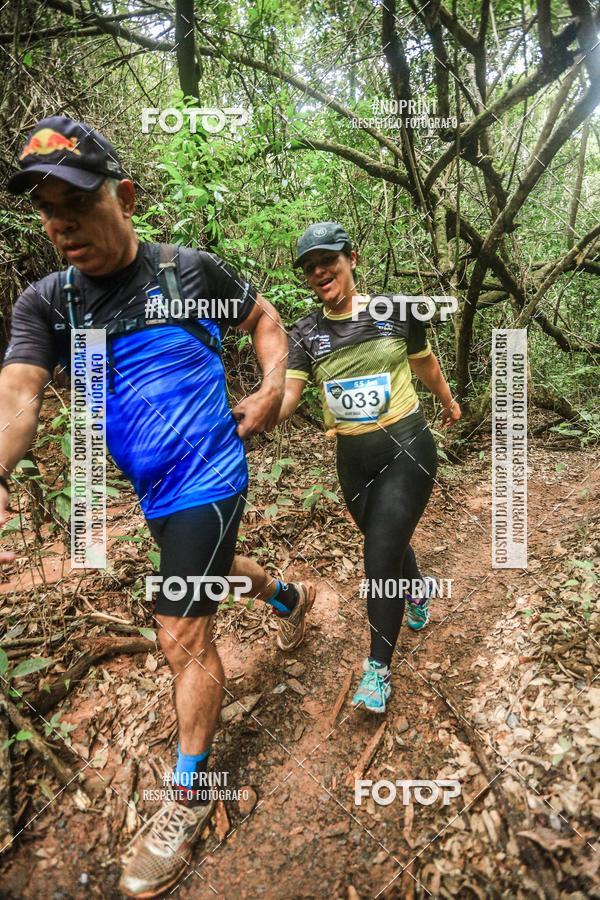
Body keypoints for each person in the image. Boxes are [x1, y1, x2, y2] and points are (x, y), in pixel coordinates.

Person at [1, 116, 315, 898]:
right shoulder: (49, 304)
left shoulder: (188, 274)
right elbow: (16, 402)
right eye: (44, 206)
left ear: (125, 195)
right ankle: (284, 593)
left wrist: (272, 385)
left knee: (180, 630)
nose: (59, 221)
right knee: (208, 572)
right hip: (156, 492)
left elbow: (268, 323)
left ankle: (186, 792)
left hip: (213, 471)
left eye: (74, 197)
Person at [278, 222, 460, 714]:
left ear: (351, 258)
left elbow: (425, 364)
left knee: (379, 554)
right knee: (388, 540)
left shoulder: (397, 310)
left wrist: (447, 401)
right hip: (352, 461)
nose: (319, 272)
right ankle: (418, 589)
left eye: (327, 261)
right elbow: (290, 397)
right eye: (309, 268)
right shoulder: (305, 332)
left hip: (407, 447)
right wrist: (252, 417)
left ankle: (377, 668)